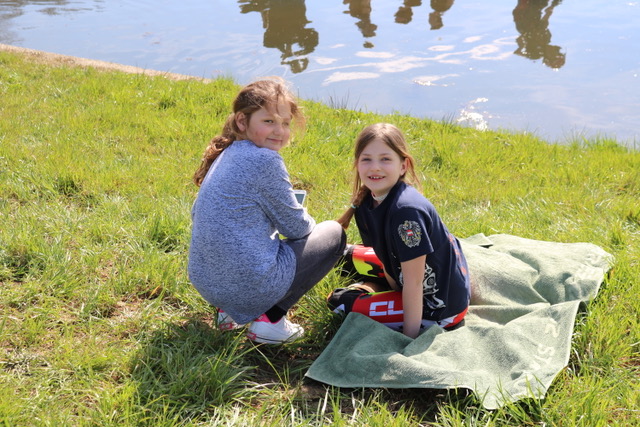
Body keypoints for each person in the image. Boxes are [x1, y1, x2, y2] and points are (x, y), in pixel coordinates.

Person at [188, 77, 346, 344]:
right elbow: (296, 228)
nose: (279, 131)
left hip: (207, 282)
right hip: (245, 285)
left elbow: (200, 214)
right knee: (333, 234)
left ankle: (229, 313)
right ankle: (270, 321)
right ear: (242, 121)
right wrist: (302, 214)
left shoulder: (227, 151)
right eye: (269, 121)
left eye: (285, 123)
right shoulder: (265, 159)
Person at [334, 123, 470, 339]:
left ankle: (368, 288)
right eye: (366, 159)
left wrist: (408, 339)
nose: (375, 167)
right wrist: (393, 290)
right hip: (407, 276)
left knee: (338, 301)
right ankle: (373, 288)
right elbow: (383, 255)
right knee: (341, 255)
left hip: (439, 307)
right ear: (357, 164)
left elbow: (414, 284)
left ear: (403, 166)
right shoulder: (367, 202)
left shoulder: (407, 214)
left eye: (385, 159)